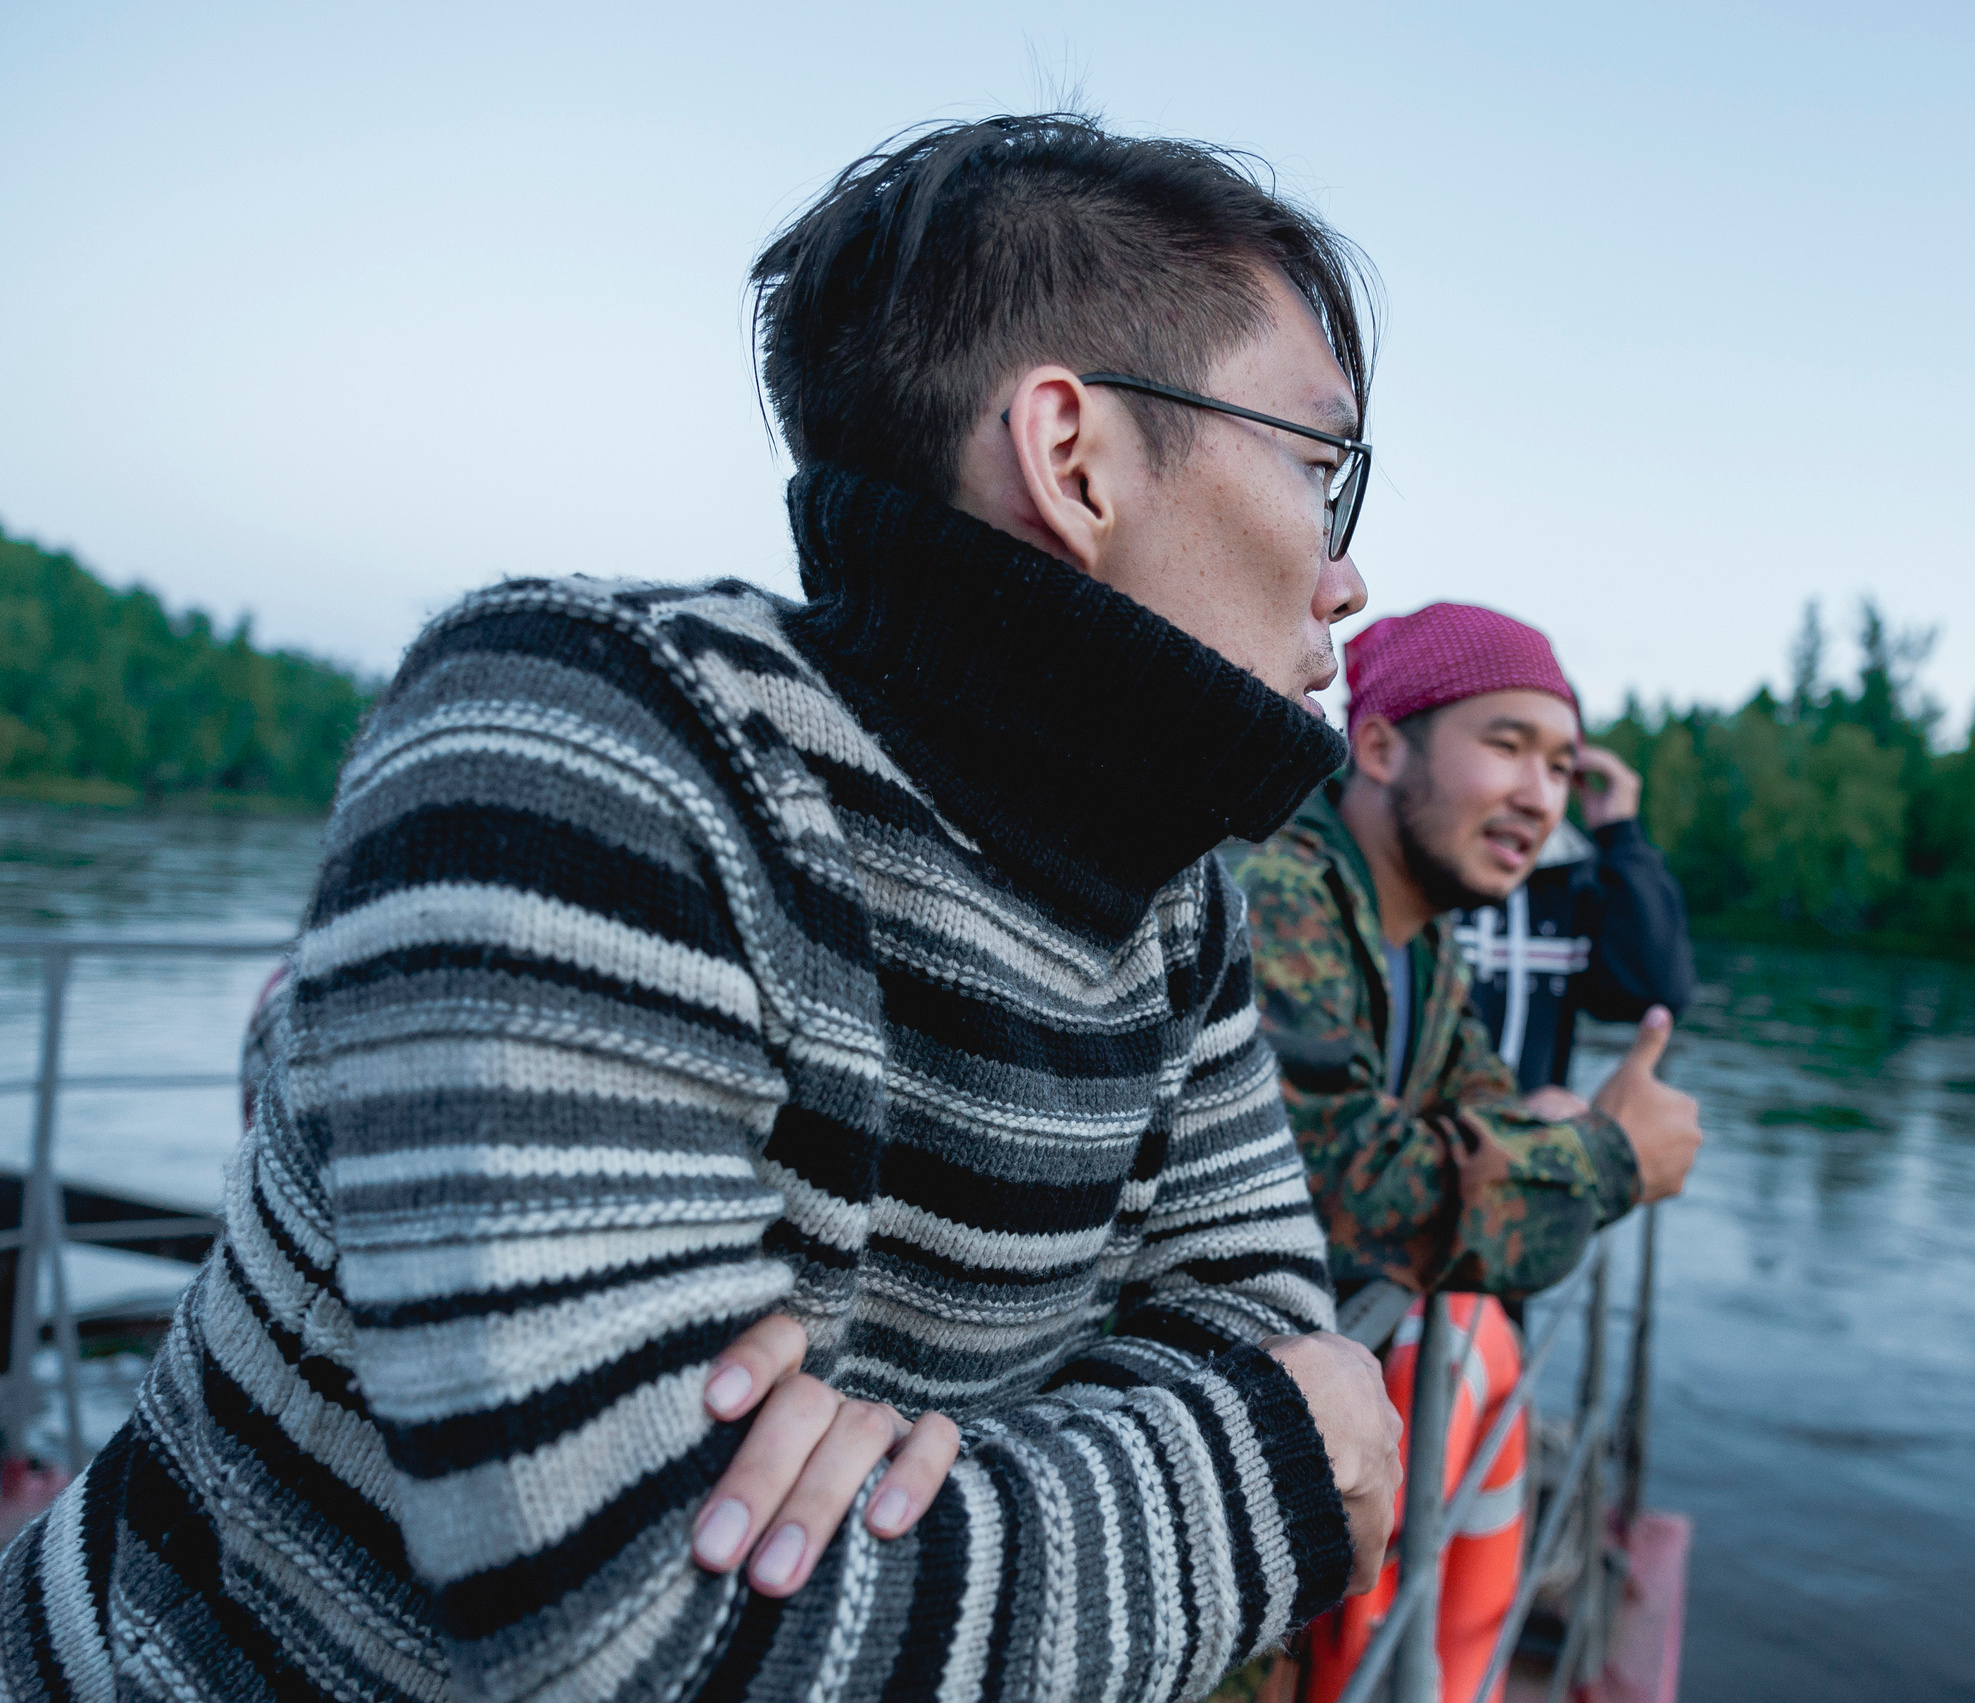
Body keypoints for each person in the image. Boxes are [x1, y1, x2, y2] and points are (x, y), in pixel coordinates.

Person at [0, 114, 1407, 1703]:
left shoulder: (1174, 906)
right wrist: (1261, 1472)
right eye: (1317, 462)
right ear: (1073, 455)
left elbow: (1252, 1322)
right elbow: (634, 1639)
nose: (1347, 573)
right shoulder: (587, 742)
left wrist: (912, 1479)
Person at [1232, 603, 1701, 1703]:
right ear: (1383, 744)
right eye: (1505, 743)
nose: (1542, 796)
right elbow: (1343, 1184)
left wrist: (1555, 1141)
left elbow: (1479, 1113)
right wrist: (1606, 1156)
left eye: (1561, 763)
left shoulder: (1422, 945)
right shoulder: (1285, 895)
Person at [1454, 739, 1693, 1099]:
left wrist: (1621, 834)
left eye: (1558, 767)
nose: (1533, 792)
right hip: (1419, 1146)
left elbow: (1656, 991)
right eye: (1507, 750)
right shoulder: (1427, 873)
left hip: (1535, 1147)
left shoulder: (1577, 884)